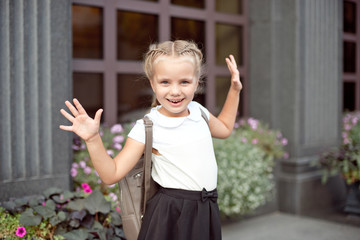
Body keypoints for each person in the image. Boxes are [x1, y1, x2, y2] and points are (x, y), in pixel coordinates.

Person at [60, 40, 241, 240]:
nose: (175, 91)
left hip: (206, 210)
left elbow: (224, 129)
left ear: (197, 82)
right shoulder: (149, 125)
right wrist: (93, 138)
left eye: (184, 82)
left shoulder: (199, 112)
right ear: (152, 83)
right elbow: (111, 174)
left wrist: (234, 90)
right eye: (165, 82)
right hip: (170, 216)